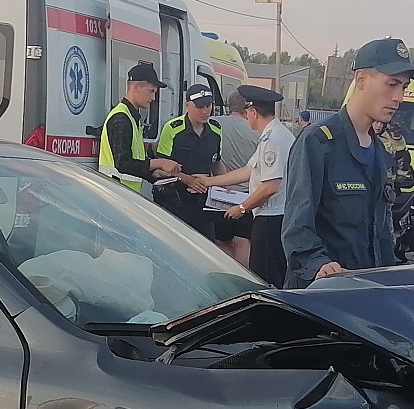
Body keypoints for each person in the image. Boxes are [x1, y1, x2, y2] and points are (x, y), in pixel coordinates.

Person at [281, 38, 414, 286]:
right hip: (323, 297)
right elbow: (296, 228)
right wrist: (319, 264)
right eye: (392, 84)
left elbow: (382, 234)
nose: (399, 97)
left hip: (366, 294)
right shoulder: (319, 142)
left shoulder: (380, 150)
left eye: (404, 87)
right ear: (362, 79)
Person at [199, 85, 293, 284]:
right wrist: (210, 182)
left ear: (253, 111)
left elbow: (270, 186)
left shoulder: (274, 139)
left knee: (265, 276)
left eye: (247, 112)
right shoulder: (271, 136)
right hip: (268, 217)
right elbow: (249, 171)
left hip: (272, 219)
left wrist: (242, 208)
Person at [150, 85, 225, 237]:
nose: (204, 111)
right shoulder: (172, 129)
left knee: (207, 244)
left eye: (208, 106)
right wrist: (187, 179)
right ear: (187, 105)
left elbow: (216, 162)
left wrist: (223, 185)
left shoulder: (216, 130)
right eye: (199, 107)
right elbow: (160, 167)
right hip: (176, 199)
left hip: (204, 200)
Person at [96, 62, 169, 192]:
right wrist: (159, 163)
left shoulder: (131, 117)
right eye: (151, 91)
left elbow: (135, 162)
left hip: (123, 193)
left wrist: (152, 173)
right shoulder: (121, 118)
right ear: (135, 87)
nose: (153, 98)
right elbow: (123, 164)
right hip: (116, 193)